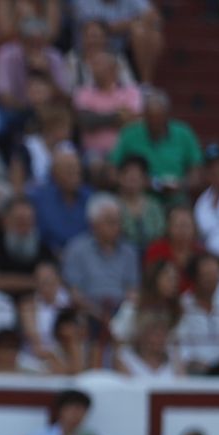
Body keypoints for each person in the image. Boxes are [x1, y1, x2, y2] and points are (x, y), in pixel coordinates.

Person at [61, 193, 139, 323]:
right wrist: (98, 313)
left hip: (122, 315)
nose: (116, 226)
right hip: (86, 313)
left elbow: (132, 290)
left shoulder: (129, 252)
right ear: (94, 224)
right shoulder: (76, 249)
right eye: (110, 222)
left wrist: (121, 316)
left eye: (118, 221)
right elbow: (73, 292)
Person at [108, 88, 199, 192]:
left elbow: (196, 172)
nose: (154, 123)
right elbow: (111, 169)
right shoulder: (129, 134)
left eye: (158, 118)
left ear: (167, 116)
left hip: (175, 195)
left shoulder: (184, 134)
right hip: (138, 194)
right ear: (144, 116)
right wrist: (131, 182)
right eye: (150, 118)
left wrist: (181, 184)